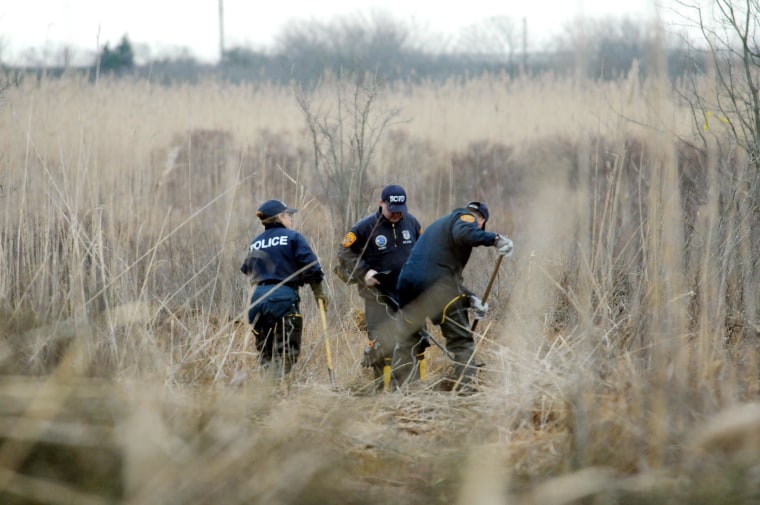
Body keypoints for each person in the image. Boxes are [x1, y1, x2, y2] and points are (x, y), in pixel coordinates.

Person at [392, 201, 513, 393]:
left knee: (409, 340)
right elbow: (463, 233)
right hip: (436, 287)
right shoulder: (465, 217)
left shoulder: (439, 227)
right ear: (481, 220)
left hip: (407, 286)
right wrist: (495, 239)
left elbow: (438, 271)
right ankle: (465, 391)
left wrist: (471, 299)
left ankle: (402, 391)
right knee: (461, 341)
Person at [336, 184, 423, 389]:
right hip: (378, 296)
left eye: (400, 210)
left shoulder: (411, 223)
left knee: (413, 340)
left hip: (408, 294)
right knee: (382, 342)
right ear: (381, 203)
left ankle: (411, 390)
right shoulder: (365, 227)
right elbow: (344, 252)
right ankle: (381, 391)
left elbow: (422, 250)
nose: (396, 215)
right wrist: (365, 272)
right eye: (391, 210)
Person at [240, 199, 328, 375]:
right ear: (280, 217)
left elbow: (247, 269)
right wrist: (319, 294)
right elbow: (313, 268)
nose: (291, 218)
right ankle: (282, 393)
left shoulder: (255, 242)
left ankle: (267, 392)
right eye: (288, 215)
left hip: (256, 301)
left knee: (266, 353)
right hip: (282, 299)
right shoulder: (293, 237)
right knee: (286, 353)